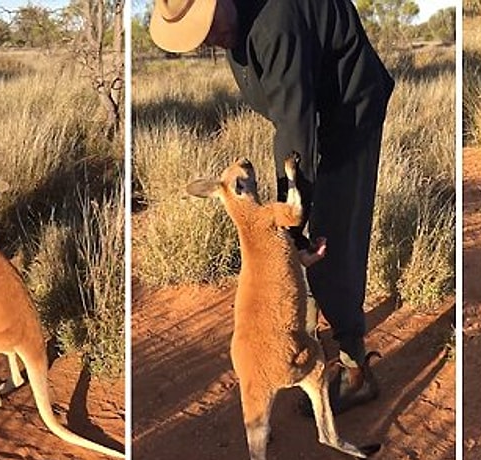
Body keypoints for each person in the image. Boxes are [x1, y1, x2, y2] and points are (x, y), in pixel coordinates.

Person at [149, 0, 394, 413]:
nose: (210, 38)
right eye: (199, 36)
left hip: (350, 111)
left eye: (208, 25)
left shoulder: (274, 23)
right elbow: (289, 115)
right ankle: (310, 341)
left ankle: (355, 372)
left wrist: (289, 231)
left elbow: (295, 127)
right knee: (302, 228)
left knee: (330, 234)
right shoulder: (235, 24)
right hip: (312, 112)